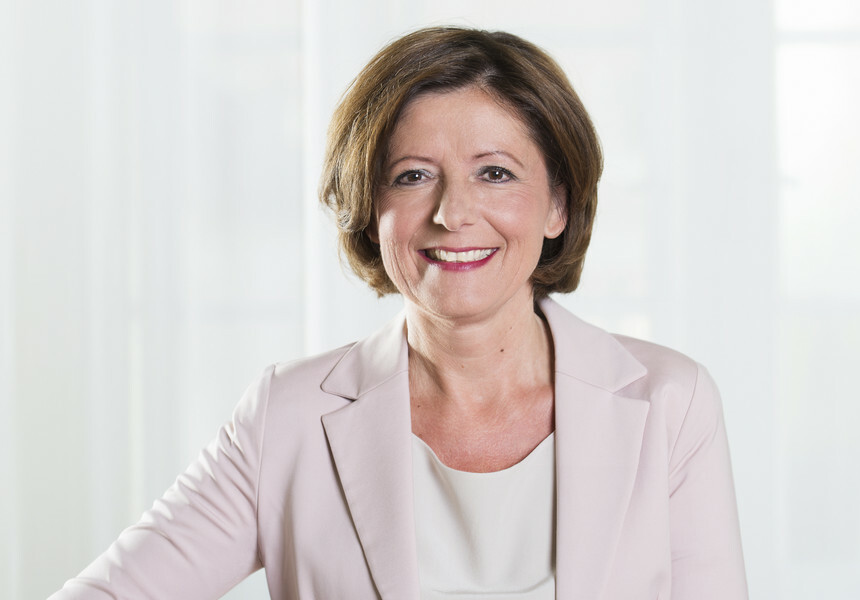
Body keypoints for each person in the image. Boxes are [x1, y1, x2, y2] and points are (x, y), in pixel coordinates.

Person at [51, 26, 748, 599]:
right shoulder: (286, 416)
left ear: (557, 205)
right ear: (370, 208)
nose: (452, 213)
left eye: (495, 172)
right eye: (412, 176)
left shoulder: (670, 402)